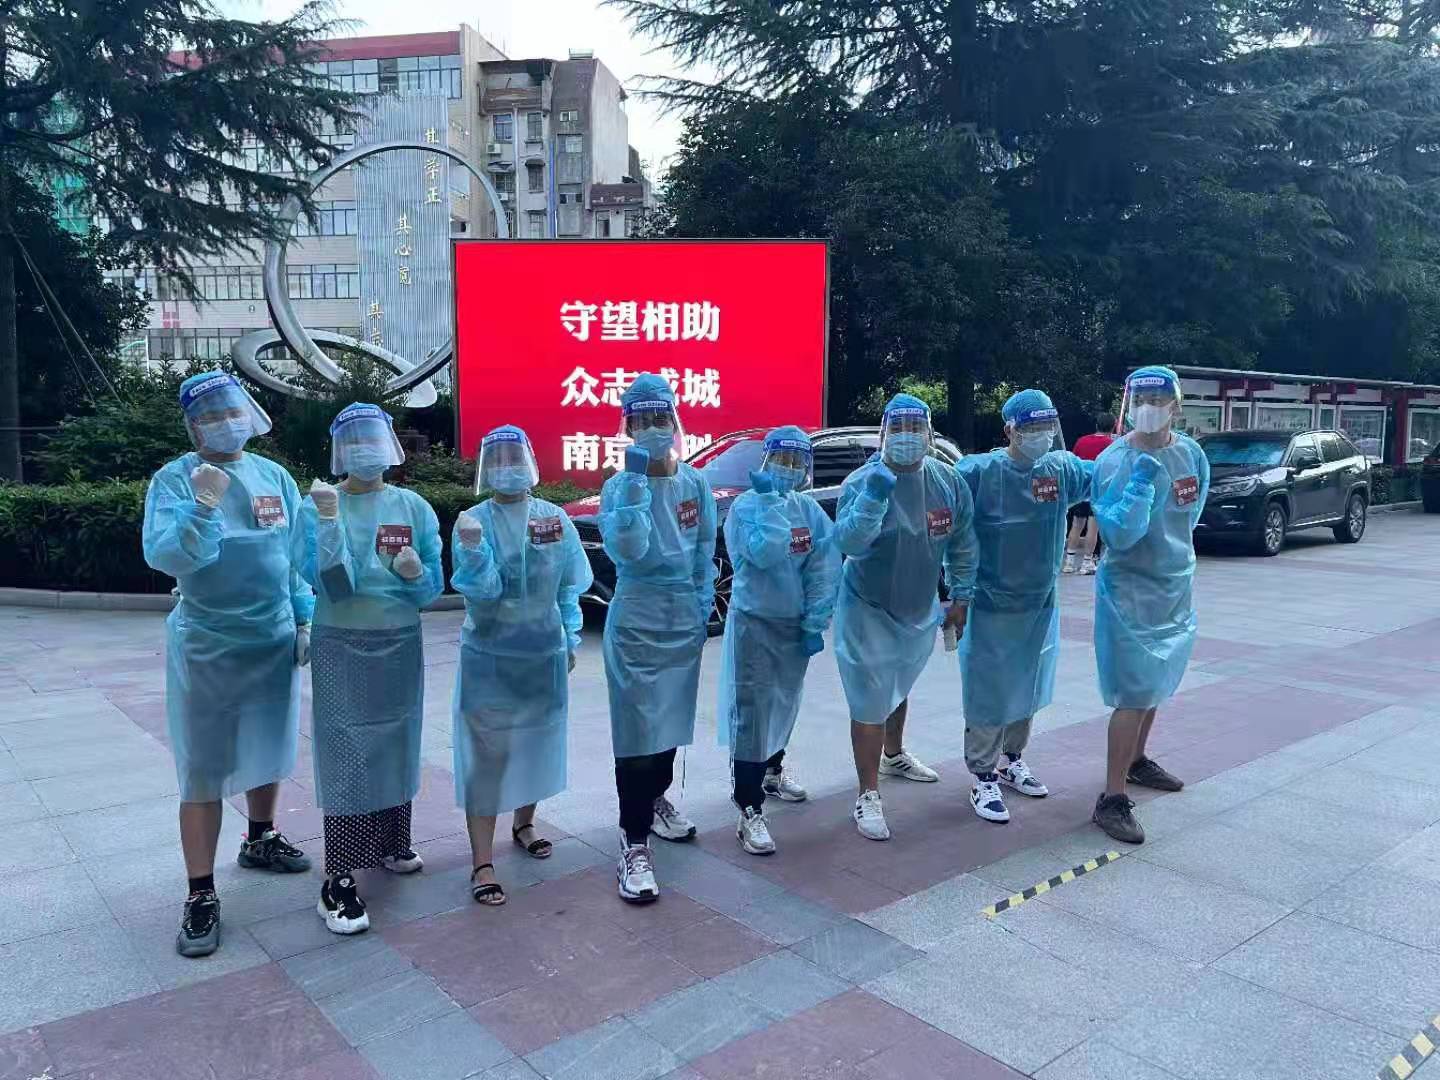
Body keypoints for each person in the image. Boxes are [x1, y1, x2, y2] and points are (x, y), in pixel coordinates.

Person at [143, 371, 314, 959]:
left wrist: (304, 617)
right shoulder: (174, 479)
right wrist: (202, 505)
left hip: (270, 637)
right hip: (207, 642)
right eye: (209, 415)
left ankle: (260, 837)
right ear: (193, 426)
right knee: (203, 765)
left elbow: (294, 557)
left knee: (269, 741)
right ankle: (200, 892)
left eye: (231, 409)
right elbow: (167, 556)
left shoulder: (274, 477)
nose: (224, 422)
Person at [296, 403, 443, 933]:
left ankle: (393, 842)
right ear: (339, 451)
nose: (365, 450)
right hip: (342, 642)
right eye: (353, 440)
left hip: (399, 640)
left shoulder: (413, 507)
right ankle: (337, 880)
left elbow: (430, 590)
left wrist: (415, 572)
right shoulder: (315, 505)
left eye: (373, 438)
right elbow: (330, 586)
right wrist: (329, 522)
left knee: (397, 739)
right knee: (346, 750)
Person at [450, 425, 593, 905]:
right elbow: (484, 597)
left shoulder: (554, 518)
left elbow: (569, 585)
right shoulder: (472, 521)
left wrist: (568, 635)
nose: (508, 467)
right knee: (487, 754)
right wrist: (474, 552)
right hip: (490, 657)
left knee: (536, 741)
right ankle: (482, 861)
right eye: (498, 459)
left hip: (542, 653)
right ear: (485, 468)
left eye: (516, 457)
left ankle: (525, 823)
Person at [833, 394, 977, 841]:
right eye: (898, 428)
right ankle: (867, 793)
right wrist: (873, 499)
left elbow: (963, 542)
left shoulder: (948, 482)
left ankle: (893, 755)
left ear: (929, 434)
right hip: (867, 606)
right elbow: (849, 542)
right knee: (870, 696)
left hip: (916, 606)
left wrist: (961, 596)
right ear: (884, 434)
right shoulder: (863, 482)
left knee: (898, 683)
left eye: (916, 428)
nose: (907, 436)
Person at [599, 372, 717, 902]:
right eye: (641, 420)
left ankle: (655, 800)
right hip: (637, 617)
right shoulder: (618, 487)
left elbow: (704, 551)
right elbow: (628, 551)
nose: (652, 427)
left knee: (670, 722)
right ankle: (634, 841)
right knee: (636, 730)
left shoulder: (695, 484)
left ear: (674, 420)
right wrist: (633, 494)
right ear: (628, 428)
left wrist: (701, 607)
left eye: (660, 417)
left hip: (681, 617)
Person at [956, 390, 1093, 824]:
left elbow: (1106, 476)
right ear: (1010, 429)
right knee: (989, 690)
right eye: (1031, 427)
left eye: (1046, 426)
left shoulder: (1060, 469)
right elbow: (944, 506)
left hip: (1039, 601)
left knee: (1027, 685)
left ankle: (1012, 759)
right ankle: (982, 775)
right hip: (990, 603)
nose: (1040, 435)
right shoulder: (980, 472)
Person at [1090, 367, 1210, 844]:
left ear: (1175, 405)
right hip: (1129, 591)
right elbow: (1118, 534)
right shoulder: (1114, 460)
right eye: (1140, 399)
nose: (1149, 408)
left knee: (1157, 682)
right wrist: (1140, 486)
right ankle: (1112, 797)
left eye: (1158, 399)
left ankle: (1137, 760)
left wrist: (1172, 557)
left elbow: (1189, 514)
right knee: (1134, 692)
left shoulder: (1191, 454)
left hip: (1174, 584)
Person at [717, 427, 841, 855]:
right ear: (766, 461)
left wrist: (815, 619)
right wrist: (770, 504)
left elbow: (824, 564)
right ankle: (748, 807)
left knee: (785, 701)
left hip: (793, 624)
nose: (788, 468)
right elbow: (763, 554)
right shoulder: (747, 507)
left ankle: (772, 771)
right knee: (752, 711)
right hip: (755, 622)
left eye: (796, 461)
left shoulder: (808, 509)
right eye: (781, 459)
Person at [1064, 413, 1116, 575]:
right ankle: (1087, 562)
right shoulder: (1112, 445)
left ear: (1096, 425)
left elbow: (1074, 462)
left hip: (1080, 490)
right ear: (1113, 427)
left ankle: (1069, 562)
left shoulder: (1082, 441)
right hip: (1098, 491)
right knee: (1093, 527)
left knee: (1076, 525)